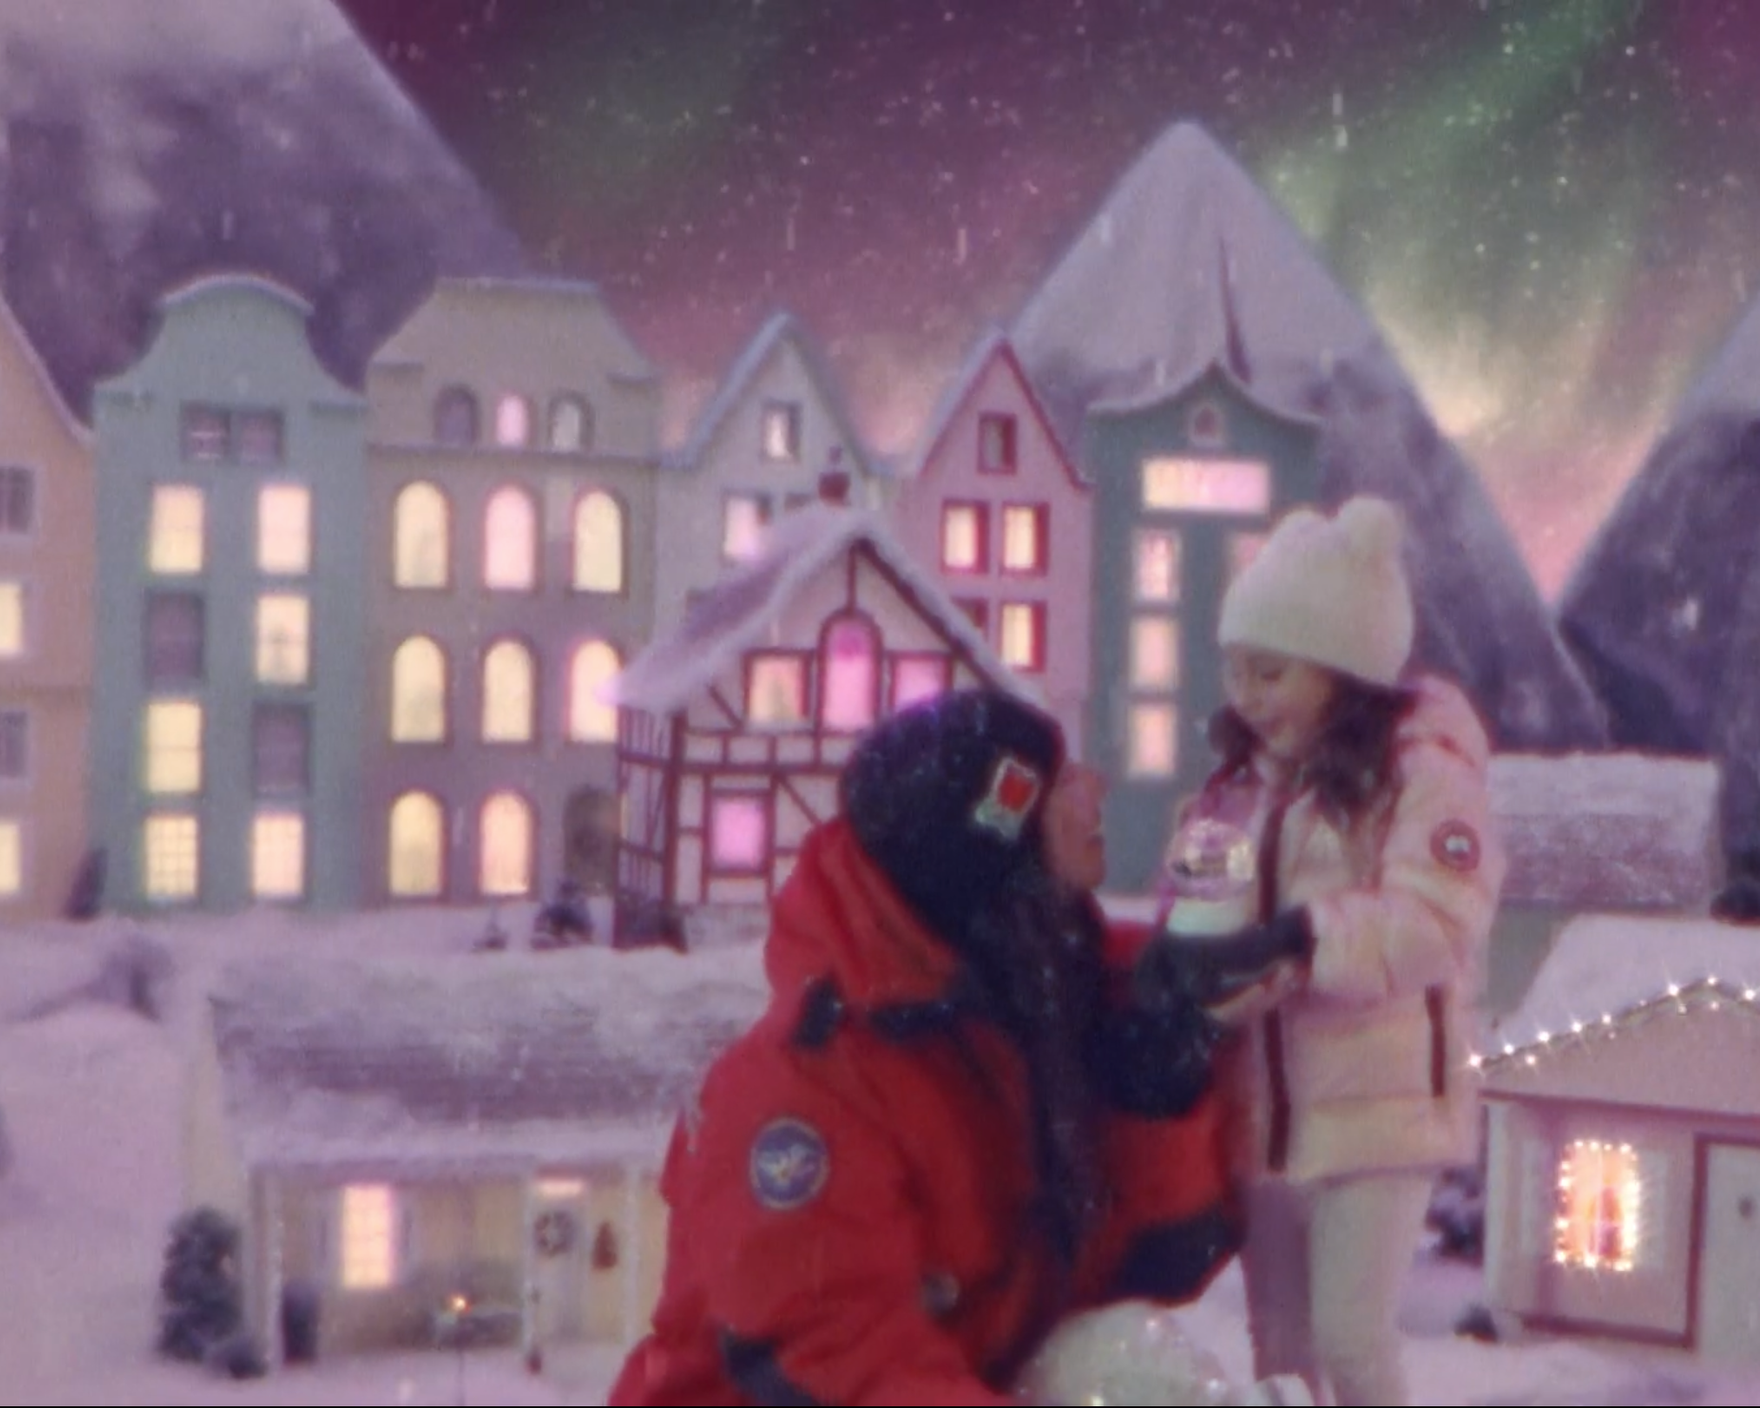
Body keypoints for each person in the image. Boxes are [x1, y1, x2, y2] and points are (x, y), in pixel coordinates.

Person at [610, 689, 1241, 1407]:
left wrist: (1157, 1089)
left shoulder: (1030, 1007)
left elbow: (1143, 1268)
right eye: (1063, 780)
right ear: (1001, 840)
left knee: (1121, 1364)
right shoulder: (804, 1089)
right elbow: (839, 1365)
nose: (1096, 787)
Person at [1134, 495, 1505, 1408]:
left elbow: (1436, 921)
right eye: (1235, 672)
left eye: (1271, 672)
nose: (1248, 696)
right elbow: (1193, 900)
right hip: (1265, 1116)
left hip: (1379, 1115)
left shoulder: (1423, 777)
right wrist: (1185, 956)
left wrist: (1305, 937)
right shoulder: (1236, 787)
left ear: (1345, 669)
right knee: (1280, 1346)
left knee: (1350, 1337)